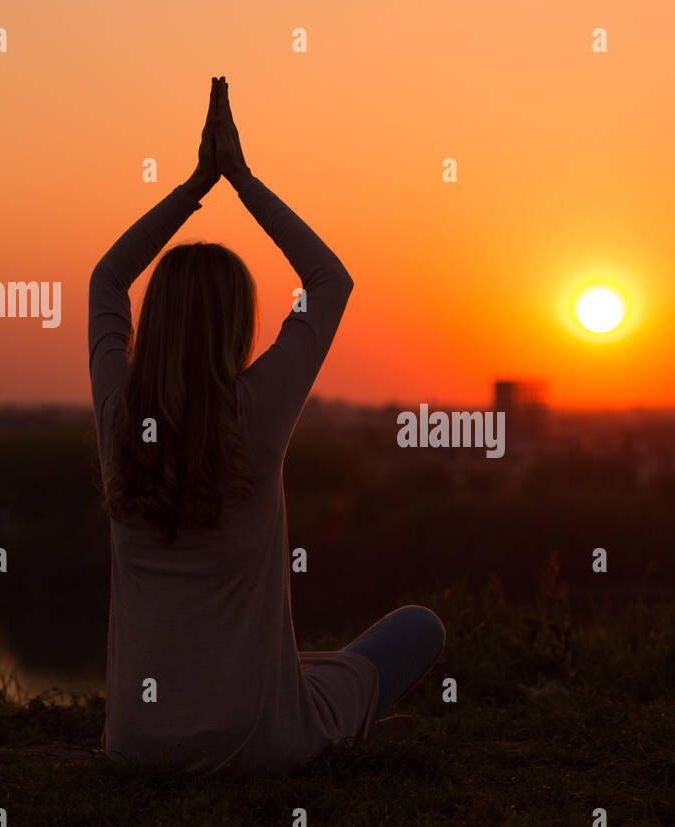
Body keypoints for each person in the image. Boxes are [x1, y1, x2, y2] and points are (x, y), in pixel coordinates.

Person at [88, 77, 444, 775]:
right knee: (416, 629)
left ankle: (330, 710)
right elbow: (330, 280)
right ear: (236, 325)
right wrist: (241, 180)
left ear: (154, 322)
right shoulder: (258, 408)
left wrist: (195, 186)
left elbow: (107, 280)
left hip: (134, 745)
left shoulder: (118, 413)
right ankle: (340, 727)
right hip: (258, 745)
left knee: (299, 658)